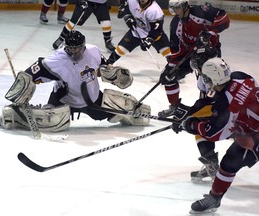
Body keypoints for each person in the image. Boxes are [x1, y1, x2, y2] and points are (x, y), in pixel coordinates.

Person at [0, 30, 151, 133]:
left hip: (92, 99)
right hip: (65, 100)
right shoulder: (57, 59)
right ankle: (15, 116)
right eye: (70, 48)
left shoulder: (93, 51)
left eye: (77, 48)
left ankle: (138, 113)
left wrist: (114, 74)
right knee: (48, 120)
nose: (73, 52)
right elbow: (33, 73)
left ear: (83, 46)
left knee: (125, 105)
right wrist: (24, 84)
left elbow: (103, 69)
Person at [158, 0, 230, 182]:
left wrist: (210, 32)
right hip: (194, 59)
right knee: (170, 76)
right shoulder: (176, 24)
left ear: (186, 5)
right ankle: (176, 108)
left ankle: (213, 160)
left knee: (203, 115)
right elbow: (178, 50)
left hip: (209, 58)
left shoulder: (202, 12)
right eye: (172, 8)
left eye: (177, 7)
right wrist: (171, 67)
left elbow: (224, 17)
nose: (174, 11)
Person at [176, 57, 259, 213]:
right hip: (252, 127)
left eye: (206, 78)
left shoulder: (227, 106)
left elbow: (213, 133)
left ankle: (214, 199)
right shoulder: (240, 77)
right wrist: (195, 111)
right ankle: (214, 197)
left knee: (229, 163)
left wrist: (190, 124)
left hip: (255, 136)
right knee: (232, 158)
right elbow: (225, 100)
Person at [106, 0, 170, 65]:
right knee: (119, 50)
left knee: (169, 54)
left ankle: (173, 68)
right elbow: (125, 4)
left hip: (154, 35)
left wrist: (149, 40)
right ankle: (107, 65)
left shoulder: (155, 10)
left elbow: (157, 30)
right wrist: (127, 15)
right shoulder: (132, 1)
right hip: (136, 31)